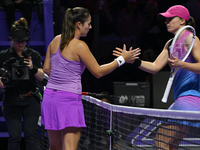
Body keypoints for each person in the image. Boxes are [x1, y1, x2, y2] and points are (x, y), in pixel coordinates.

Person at [41, 7, 140, 150]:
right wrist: (121, 59)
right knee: (69, 147)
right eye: (88, 23)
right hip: (68, 100)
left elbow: (46, 69)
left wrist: (61, 80)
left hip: (50, 98)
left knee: (54, 147)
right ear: (79, 24)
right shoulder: (80, 46)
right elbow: (98, 72)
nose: (90, 27)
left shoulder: (56, 40)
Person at [113, 5, 200, 150]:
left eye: (170, 19)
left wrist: (181, 64)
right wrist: (135, 62)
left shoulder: (191, 38)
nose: (166, 22)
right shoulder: (170, 43)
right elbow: (154, 67)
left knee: (161, 142)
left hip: (190, 99)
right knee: (171, 146)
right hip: (182, 98)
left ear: (182, 21)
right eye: (165, 19)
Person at [0, 17, 44, 150]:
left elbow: (42, 77)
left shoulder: (33, 55)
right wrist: (2, 82)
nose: (21, 44)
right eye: (18, 41)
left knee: (31, 136)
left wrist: (32, 67)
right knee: (14, 138)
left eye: (23, 41)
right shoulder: (3, 55)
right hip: (11, 99)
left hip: (30, 99)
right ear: (12, 39)